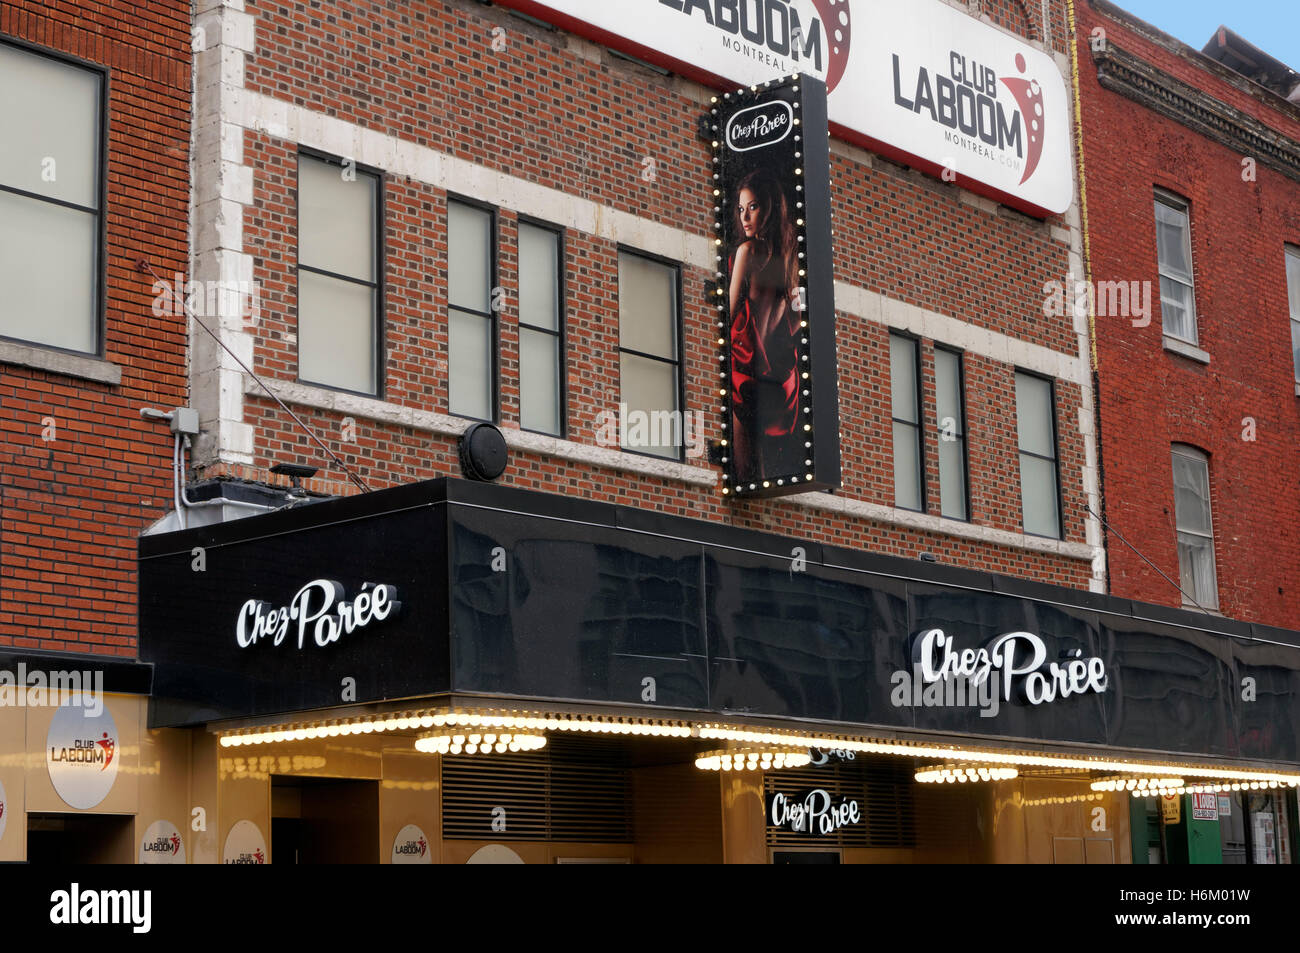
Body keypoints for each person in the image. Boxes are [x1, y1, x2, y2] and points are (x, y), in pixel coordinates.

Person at [728, 168, 801, 485]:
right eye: (741, 208)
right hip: (780, 373)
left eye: (753, 207)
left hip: (745, 366)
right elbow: (800, 314)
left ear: (770, 206)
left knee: (743, 468)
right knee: (771, 467)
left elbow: (727, 310)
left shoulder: (746, 251)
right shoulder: (791, 253)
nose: (745, 217)